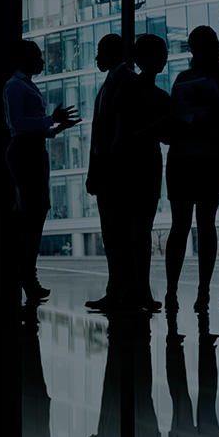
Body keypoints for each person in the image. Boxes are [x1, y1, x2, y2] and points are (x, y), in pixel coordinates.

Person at [162, 26, 219, 313]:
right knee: (202, 225)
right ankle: (198, 292)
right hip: (205, 157)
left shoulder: (201, 78)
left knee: (184, 226)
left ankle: (178, 292)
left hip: (189, 157)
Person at [3, 40, 80, 304]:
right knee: (31, 215)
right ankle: (26, 276)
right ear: (24, 59)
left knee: (33, 214)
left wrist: (57, 128)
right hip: (25, 153)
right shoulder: (14, 86)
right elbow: (17, 123)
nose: (43, 62)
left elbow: (31, 126)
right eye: (38, 56)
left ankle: (25, 275)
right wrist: (52, 120)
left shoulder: (25, 84)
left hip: (33, 151)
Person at [120, 34, 171, 312]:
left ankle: (136, 286)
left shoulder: (132, 89)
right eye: (161, 53)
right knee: (139, 228)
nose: (164, 59)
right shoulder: (152, 94)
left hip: (137, 162)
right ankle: (137, 287)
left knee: (137, 229)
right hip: (142, 162)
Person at [84, 34, 135, 311]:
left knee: (119, 234)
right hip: (106, 173)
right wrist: (94, 173)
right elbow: (98, 136)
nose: (96, 57)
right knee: (111, 234)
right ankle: (116, 289)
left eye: (100, 51)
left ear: (114, 53)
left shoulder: (126, 82)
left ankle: (120, 290)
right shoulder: (109, 84)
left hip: (117, 173)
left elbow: (118, 132)